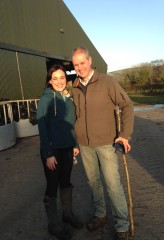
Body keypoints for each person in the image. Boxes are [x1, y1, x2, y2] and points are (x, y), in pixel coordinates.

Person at [71, 47, 134, 240]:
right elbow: (74, 116)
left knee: (113, 185)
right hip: (84, 144)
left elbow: (127, 106)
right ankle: (100, 215)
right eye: (76, 64)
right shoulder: (74, 87)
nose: (79, 67)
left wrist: (124, 135)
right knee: (93, 183)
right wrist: (75, 142)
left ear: (90, 61)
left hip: (106, 143)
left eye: (82, 63)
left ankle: (122, 225)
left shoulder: (107, 82)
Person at [37, 64, 83, 240]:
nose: (59, 81)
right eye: (55, 78)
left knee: (66, 182)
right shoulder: (46, 100)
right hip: (52, 151)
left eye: (62, 77)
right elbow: (42, 128)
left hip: (67, 149)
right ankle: (53, 225)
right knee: (52, 185)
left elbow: (72, 124)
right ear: (50, 80)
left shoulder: (68, 98)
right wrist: (48, 154)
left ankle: (67, 215)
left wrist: (75, 144)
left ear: (66, 79)